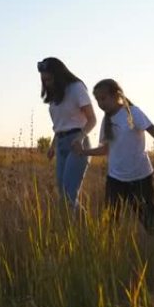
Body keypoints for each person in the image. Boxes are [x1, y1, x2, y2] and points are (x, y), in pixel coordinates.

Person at [73, 78, 154, 233]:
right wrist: (84, 152)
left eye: (103, 98)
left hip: (140, 176)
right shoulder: (107, 120)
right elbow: (105, 149)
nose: (100, 103)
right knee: (110, 220)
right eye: (97, 100)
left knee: (148, 217)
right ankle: (110, 251)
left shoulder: (132, 113)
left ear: (116, 95)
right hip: (115, 178)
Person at [38, 57, 97, 210]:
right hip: (61, 144)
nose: (47, 83)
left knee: (69, 195)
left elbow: (92, 119)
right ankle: (73, 229)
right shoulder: (54, 97)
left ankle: (83, 229)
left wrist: (80, 137)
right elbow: (60, 126)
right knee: (63, 196)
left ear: (58, 75)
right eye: (44, 81)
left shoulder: (76, 88)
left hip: (77, 143)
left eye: (50, 79)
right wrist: (52, 146)